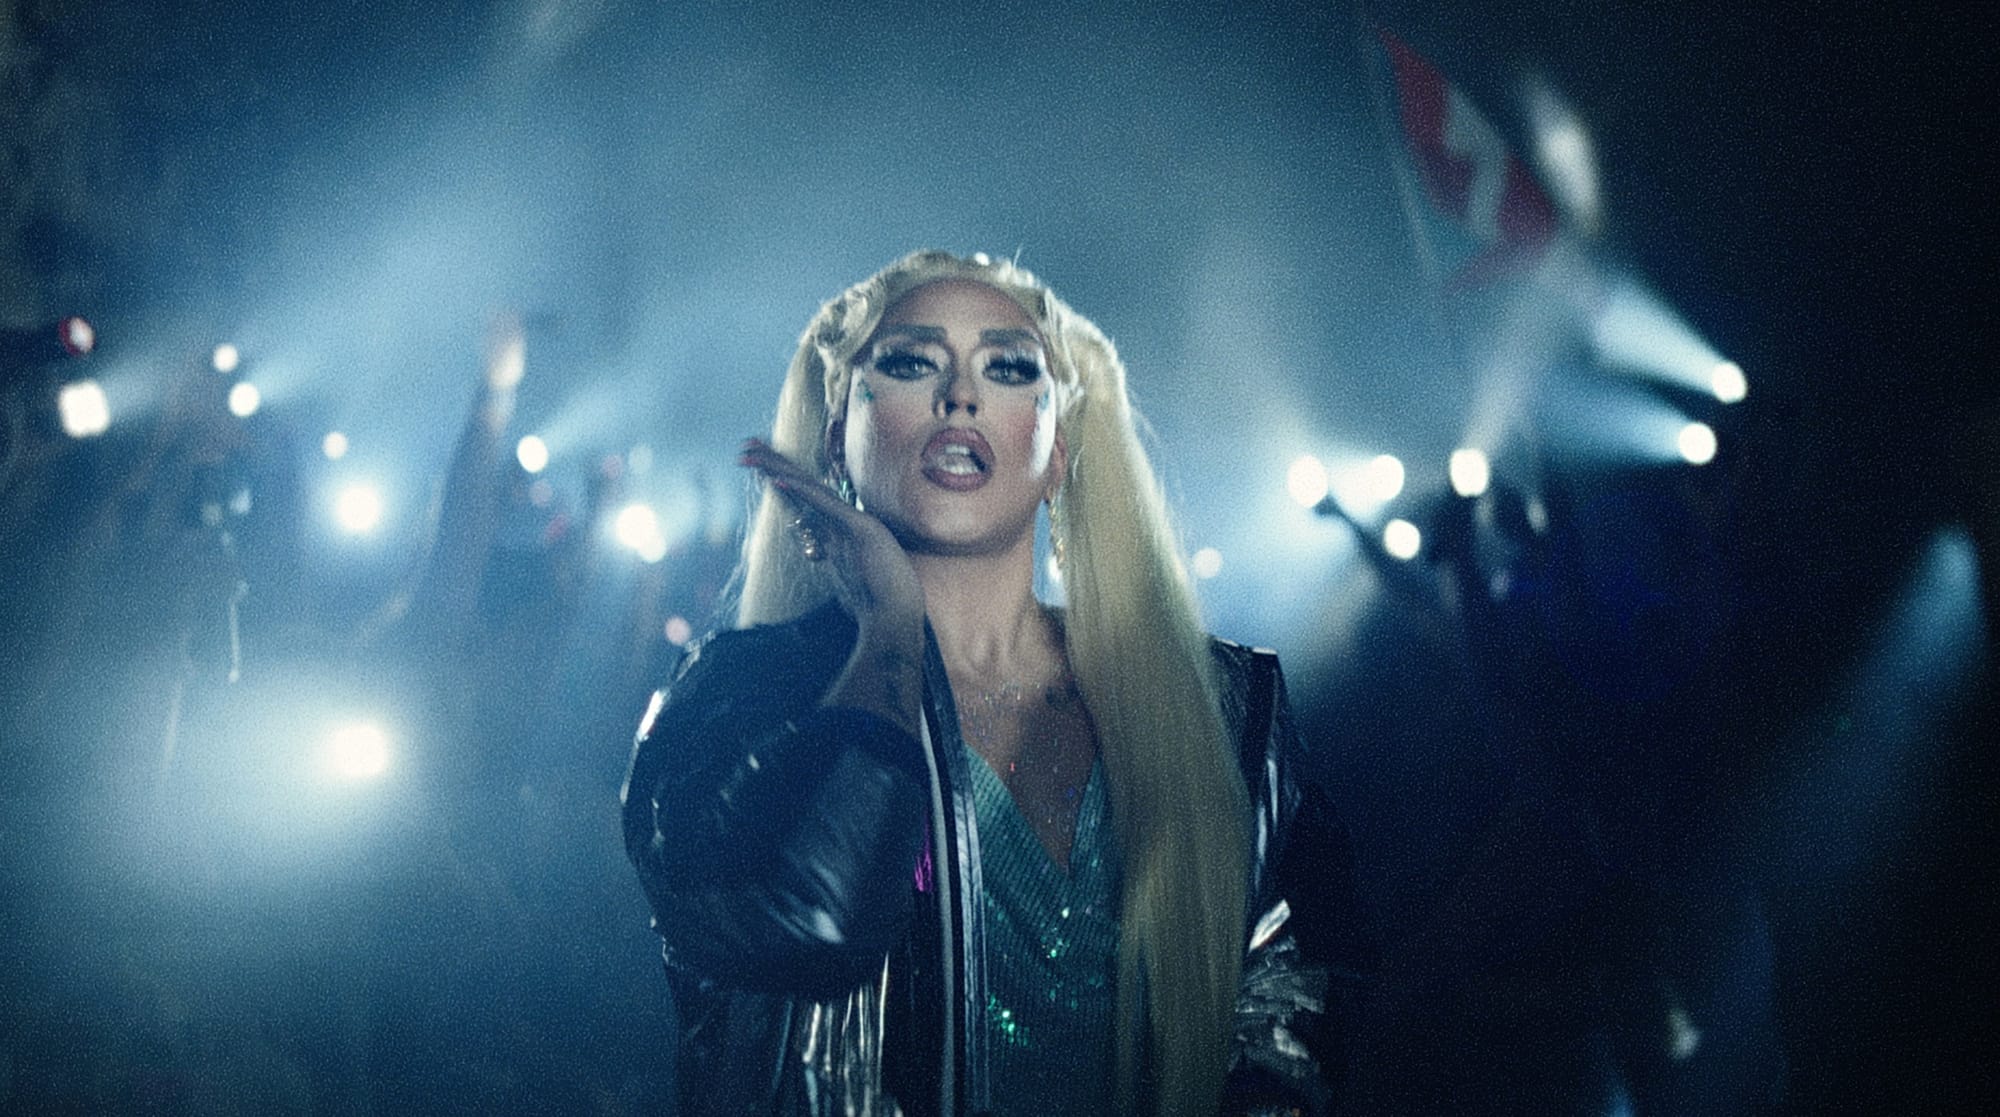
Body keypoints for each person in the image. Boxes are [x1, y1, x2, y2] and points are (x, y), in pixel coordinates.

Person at [623, 250, 1369, 1116]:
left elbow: (1297, 1015)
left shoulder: (1225, 711)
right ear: (837, 434)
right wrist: (890, 633)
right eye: (912, 362)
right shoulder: (740, 697)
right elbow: (804, 919)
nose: (960, 397)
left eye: (1008, 368)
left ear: (1057, 452)